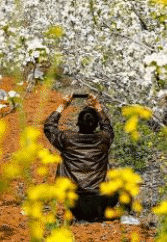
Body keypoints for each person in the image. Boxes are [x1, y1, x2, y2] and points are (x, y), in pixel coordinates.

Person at [42, 93, 118, 222]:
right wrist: (97, 107)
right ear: (96, 125)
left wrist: (63, 105)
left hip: (73, 202)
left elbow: (49, 127)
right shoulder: (104, 139)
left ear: (78, 124)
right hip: (100, 202)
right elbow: (107, 128)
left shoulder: (66, 139)